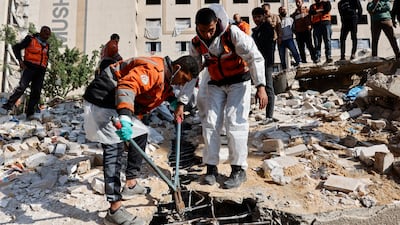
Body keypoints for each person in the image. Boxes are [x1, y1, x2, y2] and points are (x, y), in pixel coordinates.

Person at [83, 55, 199, 225]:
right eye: (184, 79)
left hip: (114, 102)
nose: (182, 84)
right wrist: (124, 117)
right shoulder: (154, 69)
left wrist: (174, 103)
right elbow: (128, 86)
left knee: (141, 134)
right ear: (178, 68)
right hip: (103, 100)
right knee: (113, 150)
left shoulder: (166, 77)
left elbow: (162, 91)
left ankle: (130, 184)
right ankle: (114, 210)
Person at [176, 5, 267, 189]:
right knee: (210, 123)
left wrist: (261, 86)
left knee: (235, 122)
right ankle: (211, 168)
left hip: (239, 82)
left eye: (210, 30)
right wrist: (181, 102)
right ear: (196, 27)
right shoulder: (196, 43)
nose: (207, 35)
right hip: (216, 83)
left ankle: (238, 169)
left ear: (216, 23)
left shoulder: (232, 33)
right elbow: (192, 74)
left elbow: (254, 57)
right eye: (203, 31)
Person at [0, 26, 51, 118]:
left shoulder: (47, 45)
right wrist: (20, 61)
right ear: (41, 32)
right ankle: (7, 106)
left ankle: (30, 113)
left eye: (49, 35)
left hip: (40, 71)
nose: (47, 36)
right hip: (29, 67)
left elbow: (46, 57)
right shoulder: (30, 39)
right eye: (46, 34)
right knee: (22, 87)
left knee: (36, 91)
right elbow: (16, 48)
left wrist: (45, 67)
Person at [251, 7, 276, 123]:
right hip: (257, 62)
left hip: (266, 62)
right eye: (254, 17)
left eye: (258, 17)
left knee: (268, 87)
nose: (256, 19)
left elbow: (265, 47)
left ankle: (269, 116)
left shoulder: (267, 28)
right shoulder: (256, 31)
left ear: (263, 17)